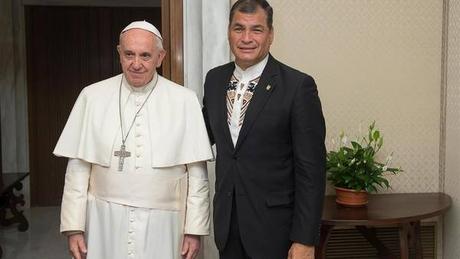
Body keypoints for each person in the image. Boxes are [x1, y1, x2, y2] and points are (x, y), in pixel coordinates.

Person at [54, 21, 213, 259]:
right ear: (119, 53)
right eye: (129, 54)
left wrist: (194, 230)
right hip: (103, 219)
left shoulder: (185, 101)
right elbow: (77, 169)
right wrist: (74, 227)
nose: (136, 64)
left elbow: (197, 174)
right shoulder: (92, 96)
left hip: (165, 222)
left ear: (160, 57)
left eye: (145, 56)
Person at [202, 1, 326, 258]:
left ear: (271, 35)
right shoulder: (214, 80)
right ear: (228, 32)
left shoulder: (297, 86)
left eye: (256, 30)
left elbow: (311, 171)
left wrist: (305, 239)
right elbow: (201, 137)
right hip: (228, 227)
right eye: (239, 28)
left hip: (276, 232)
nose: (246, 38)